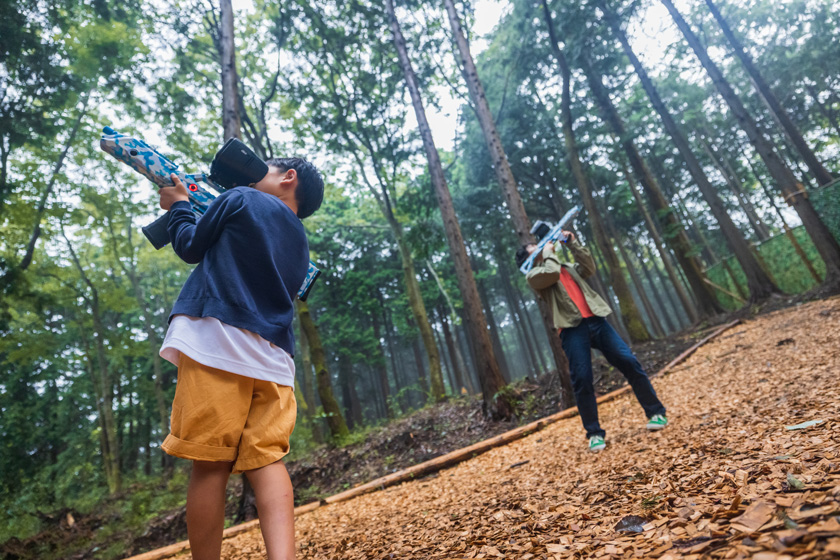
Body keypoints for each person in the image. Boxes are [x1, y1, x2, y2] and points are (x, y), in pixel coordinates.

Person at [157, 158, 324, 560]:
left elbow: (190, 247)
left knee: (210, 466)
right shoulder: (301, 244)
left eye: (264, 168)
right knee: (268, 462)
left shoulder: (242, 197)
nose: (253, 175)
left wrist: (179, 204)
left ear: (288, 177)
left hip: (218, 345)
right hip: (274, 363)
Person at [516, 231, 668, 453]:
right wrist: (548, 253)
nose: (543, 249)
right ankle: (594, 434)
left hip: (596, 320)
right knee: (582, 379)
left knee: (629, 361)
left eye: (541, 247)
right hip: (571, 329)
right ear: (529, 261)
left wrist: (572, 243)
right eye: (536, 251)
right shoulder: (535, 276)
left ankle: (655, 412)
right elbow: (551, 272)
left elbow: (588, 267)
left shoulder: (566, 267)